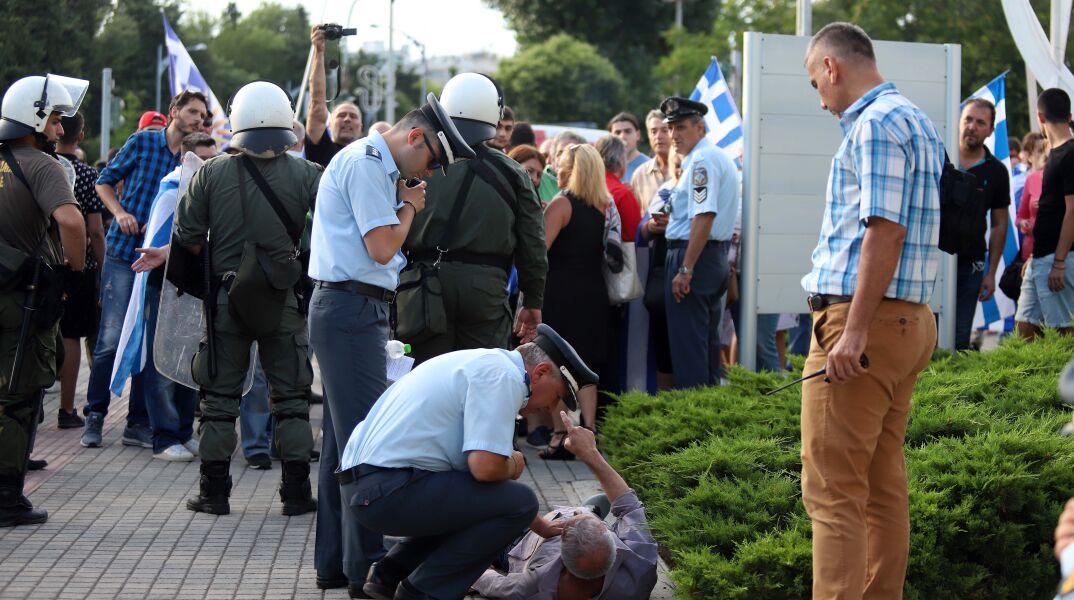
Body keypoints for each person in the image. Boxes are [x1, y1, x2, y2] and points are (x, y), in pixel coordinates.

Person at [308, 91, 475, 594]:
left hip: (354, 308)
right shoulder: (364, 162)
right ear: (416, 135)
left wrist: (403, 200)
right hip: (349, 308)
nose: (427, 173)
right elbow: (381, 248)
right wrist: (407, 206)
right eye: (430, 160)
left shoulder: (375, 165)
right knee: (365, 446)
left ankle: (336, 563)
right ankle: (367, 570)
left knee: (343, 443)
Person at [800, 23, 942, 598]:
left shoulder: (876, 123)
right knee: (882, 488)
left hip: (863, 325)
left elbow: (884, 230)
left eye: (816, 82)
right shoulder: (917, 119)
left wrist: (852, 331)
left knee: (833, 493)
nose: (820, 97)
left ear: (832, 66)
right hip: (907, 320)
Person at [340, 324, 599, 600]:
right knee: (521, 500)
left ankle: (389, 574)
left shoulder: (485, 363)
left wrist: (537, 525)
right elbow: (485, 468)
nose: (550, 408)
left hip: (368, 486)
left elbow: (478, 494)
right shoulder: (504, 377)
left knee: (502, 504)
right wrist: (512, 465)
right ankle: (423, 592)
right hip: (385, 490)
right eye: (557, 397)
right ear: (541, 372)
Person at [173, 81, 322, 515]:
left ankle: (214, 493)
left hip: (227, 300)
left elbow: (186, 236)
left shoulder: (212, 172)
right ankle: (297, 495)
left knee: (219, 400)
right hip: (284, 302)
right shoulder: (306, 174)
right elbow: (329, 230)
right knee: (292, 400)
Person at [83, 89, 207, 449]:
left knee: (150, 341)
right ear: (175, 111)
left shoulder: (193, 158)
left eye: (202, 115)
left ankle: (137, 422)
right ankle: (95, 413)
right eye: (193, 113)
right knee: (111, 337)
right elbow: (103, 182)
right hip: (126, 255)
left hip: (168, 262)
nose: (199, 119)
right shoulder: (143, 142)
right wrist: (119, 212)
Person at [400, 73, 546, 364]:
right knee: (481, 382)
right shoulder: (513, 173)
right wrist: (532, 301)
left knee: (425, 384)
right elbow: (533, 244)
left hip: (422, 286)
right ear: (494, 113)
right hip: (485, 289)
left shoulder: (415, 161)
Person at [0, 74, 89, 526]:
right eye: (56, 119)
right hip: (19, 299)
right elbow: (72, 223)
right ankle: (7, 498)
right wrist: (72, 273)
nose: (60, 129)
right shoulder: (40, 163)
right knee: (17, 397)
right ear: (35, 118)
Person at [473, 411, 658, 599]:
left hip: (520, 543)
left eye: (574, 522)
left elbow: (493, 584)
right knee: (591, 514)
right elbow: (629, 505)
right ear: (613, 545)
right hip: (564, 533)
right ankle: (590, 511)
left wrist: (475, 569)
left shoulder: (536, 585)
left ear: (563, 561)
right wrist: (590, 453)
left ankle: (588, 511)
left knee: (482, 531)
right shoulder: (641, 567)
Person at [126, 133, 216, 462]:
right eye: (202, 160)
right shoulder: (171, 188)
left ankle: (181, 429)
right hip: (163, 288)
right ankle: (163, 436)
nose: (208, 166)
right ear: (185, 158)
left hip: (192, 286)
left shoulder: (210, 191)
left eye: (213, 159)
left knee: (189, 362)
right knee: (162, 362)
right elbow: (164, 240)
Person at [660, 95, 739, 389]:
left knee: (689, 353)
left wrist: (686, 269)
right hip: (709, 256)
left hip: (694, 257)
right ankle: (707, 427)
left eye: (681, 127)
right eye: (671, 128)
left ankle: (693, 430)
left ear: (700, 128)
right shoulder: (711, 157)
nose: (674, 135)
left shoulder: (702, 160)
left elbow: (704, 216)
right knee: (705, 350)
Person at [540, 144, 614, 457]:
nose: (556, 169)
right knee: (586, 367)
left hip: (561, 293)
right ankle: (589, 433)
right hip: (594, 293)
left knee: (558, 363)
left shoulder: (561, 204)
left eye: (559, 164)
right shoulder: (603, 206)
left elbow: (538, 252)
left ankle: (561, 435)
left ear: (571, 169)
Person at [55, 111, 105, 429]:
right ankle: (66, 407)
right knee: (72, 335)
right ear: (81, 137)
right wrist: (102, 267)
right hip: (78, 265)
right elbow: (95, 231)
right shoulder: (87, 175)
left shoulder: (39, 165)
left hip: (42, 261)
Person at [1017, 88, 1074, 338]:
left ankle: (1063, 379)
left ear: (1040, 117)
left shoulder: (1070, 154)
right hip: (1042, 256)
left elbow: (1073, 211)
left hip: (1058, 258)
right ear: (1070, 115)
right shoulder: (1056, 152)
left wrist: (1059, 262)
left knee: (1062, 333)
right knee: (1025, 328)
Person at [955, 98, 1010, 350]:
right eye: (968, 119)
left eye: (980, 122)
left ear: (990, 130)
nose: (972, 126)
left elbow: (1000, 224)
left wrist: (990, 272)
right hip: (929, 261)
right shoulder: (940, 159)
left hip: (971, 264)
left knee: (958, 336)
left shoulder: (997, 172)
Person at [305, 25, 364, 168]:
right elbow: (317, 104)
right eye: (341, 115)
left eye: (353, 116)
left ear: (361, 127)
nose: (347, 119)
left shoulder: (370, 159)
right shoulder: (322, 149)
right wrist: (319, 52)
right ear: (329, 125)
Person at [594, 135, 641, 242]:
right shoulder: (622, 194)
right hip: (616, 254)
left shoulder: (586, 187)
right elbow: (634, 235)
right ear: (620, 161)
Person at [630, 109, 671, 214]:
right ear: (648, 135)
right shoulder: (640, 175)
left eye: (664, 130)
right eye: (653, 131)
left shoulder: (687, 168)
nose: (658, 136)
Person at [1017, 134, 1048, 261]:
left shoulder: (1063, 177)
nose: (1044, 154)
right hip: (1030, 252)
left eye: (1045, 149)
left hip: (1057, 252)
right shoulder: (1028, 180)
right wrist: (1023, 223)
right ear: (1029, 156)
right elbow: (1019, 217)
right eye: (1040, 151)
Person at [608, 112, 650, 183]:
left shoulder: (650, 166)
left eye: (628, 131)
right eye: (617, 133)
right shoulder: (605, 167)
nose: (622, 137)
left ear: (638, 135)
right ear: (610, 137)